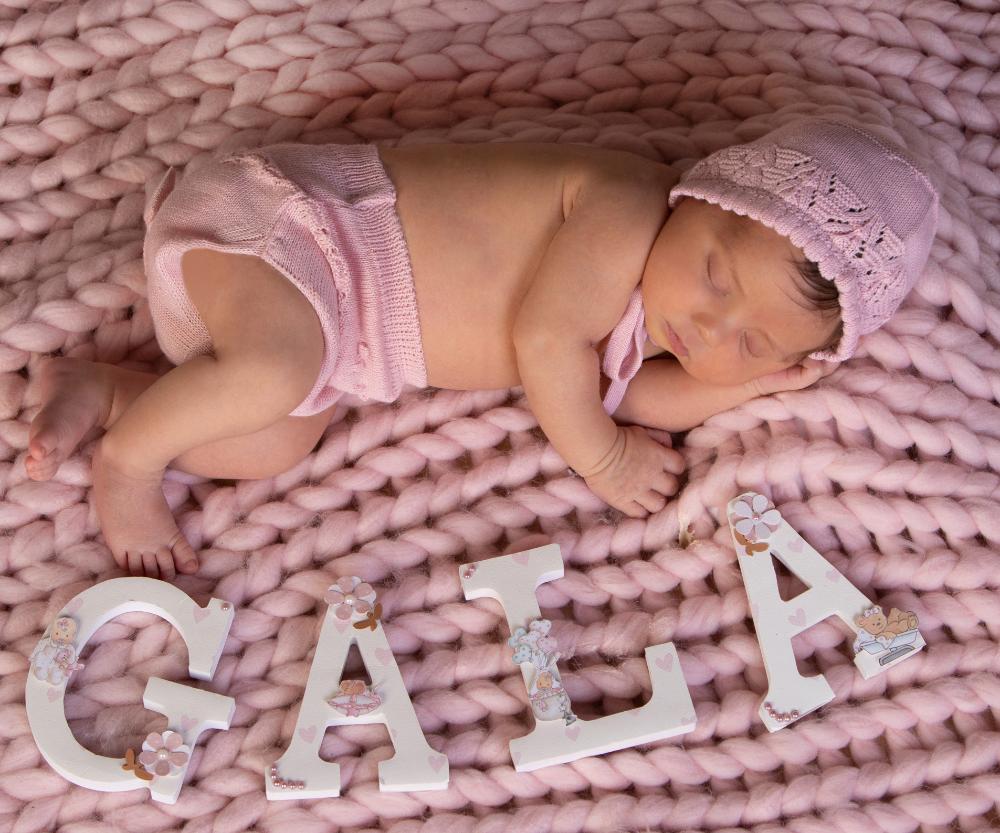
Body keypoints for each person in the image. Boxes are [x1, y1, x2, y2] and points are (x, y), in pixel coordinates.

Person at [22, 116, 940, 580]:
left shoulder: (655, 317)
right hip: (303, 233)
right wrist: (605, 459)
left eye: (751, 342)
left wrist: (747, 387)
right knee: (271, 373)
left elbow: (629, 394)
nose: (708, 326)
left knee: (271, 440)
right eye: (714, 274)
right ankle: (128, 464)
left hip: (333, 336)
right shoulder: (626, 209)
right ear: (701, 193)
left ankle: (109, 395)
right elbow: (548, 342)